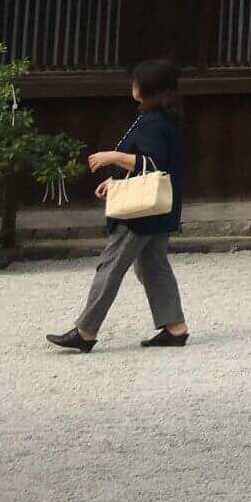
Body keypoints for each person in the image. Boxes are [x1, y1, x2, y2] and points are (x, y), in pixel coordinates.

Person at [46, 60, 189, 353]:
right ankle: (175, 327)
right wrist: (115, 181)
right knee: (153, 265)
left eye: (136, 82)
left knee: (110, 267)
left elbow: (152, 163)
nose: (132, 86)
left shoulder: (153, 122)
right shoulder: (163, 118)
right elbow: (154, 167)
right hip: (158, 207)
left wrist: (111, 156)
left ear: (147, 88)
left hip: (141, 214)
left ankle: (85, 331)